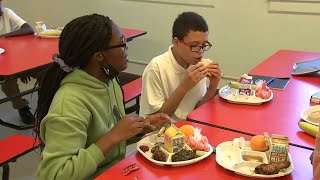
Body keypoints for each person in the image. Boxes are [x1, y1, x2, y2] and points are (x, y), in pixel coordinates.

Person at [35, 14, 170, 180]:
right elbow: (54, 175)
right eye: (122, 44)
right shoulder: (69, 104)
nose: (127, 50)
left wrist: (138, 129)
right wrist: (113, 136)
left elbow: (108, 135)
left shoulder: (109, 82)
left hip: (113, 172)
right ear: (99, 56)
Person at [139, 12, 221, 122]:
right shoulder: (156, 68)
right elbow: (154, 123)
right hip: (160, 134)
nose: (200, 52)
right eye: (194, 46)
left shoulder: (198, 64)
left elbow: (196, 113)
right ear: (176, 42)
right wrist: (184, 87)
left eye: (204, 45)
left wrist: (212, 88)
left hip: (190, 130)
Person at [0, 0, 35, 124]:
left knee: (43, 72)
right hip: (2, 64)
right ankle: (22, 107)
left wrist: (3, 37)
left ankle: (48, 103)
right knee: (8, 83)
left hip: (12, 57)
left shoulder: (6, 12)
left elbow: (29, 29)